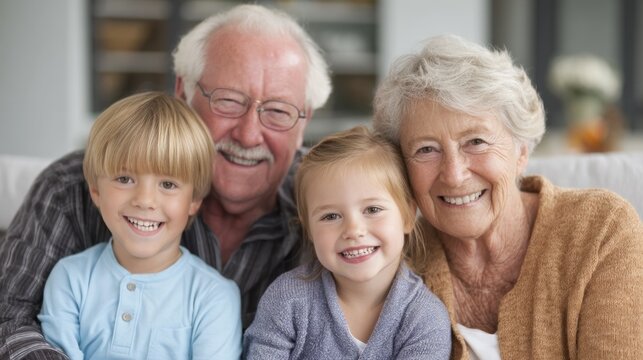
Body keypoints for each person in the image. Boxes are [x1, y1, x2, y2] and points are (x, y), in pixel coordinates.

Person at [0, 4, 331, 359]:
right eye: (229, 101)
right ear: (183, 91)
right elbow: (9, 317)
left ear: (304, 121)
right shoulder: (71, 187)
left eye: (278, 111)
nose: (249, 135)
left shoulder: (334, 204)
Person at [372, 34, 643, 359]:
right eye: (426, 149)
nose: (454, 174)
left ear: (521, 152)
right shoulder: (390, 262)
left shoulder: (599, 230)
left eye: (476, 142)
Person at [36, 92, 242, 360]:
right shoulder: (69, 279)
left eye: (168, 184)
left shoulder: (215, 297)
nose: (145, 200)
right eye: (124, 178)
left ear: (193, 200)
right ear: (96, 190)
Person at [243, 126, 452, 359]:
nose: (353, 230)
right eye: (331, 216)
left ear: (407, 216)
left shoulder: (425, 318)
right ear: (309, 229)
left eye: (372, 209)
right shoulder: (286, 300)